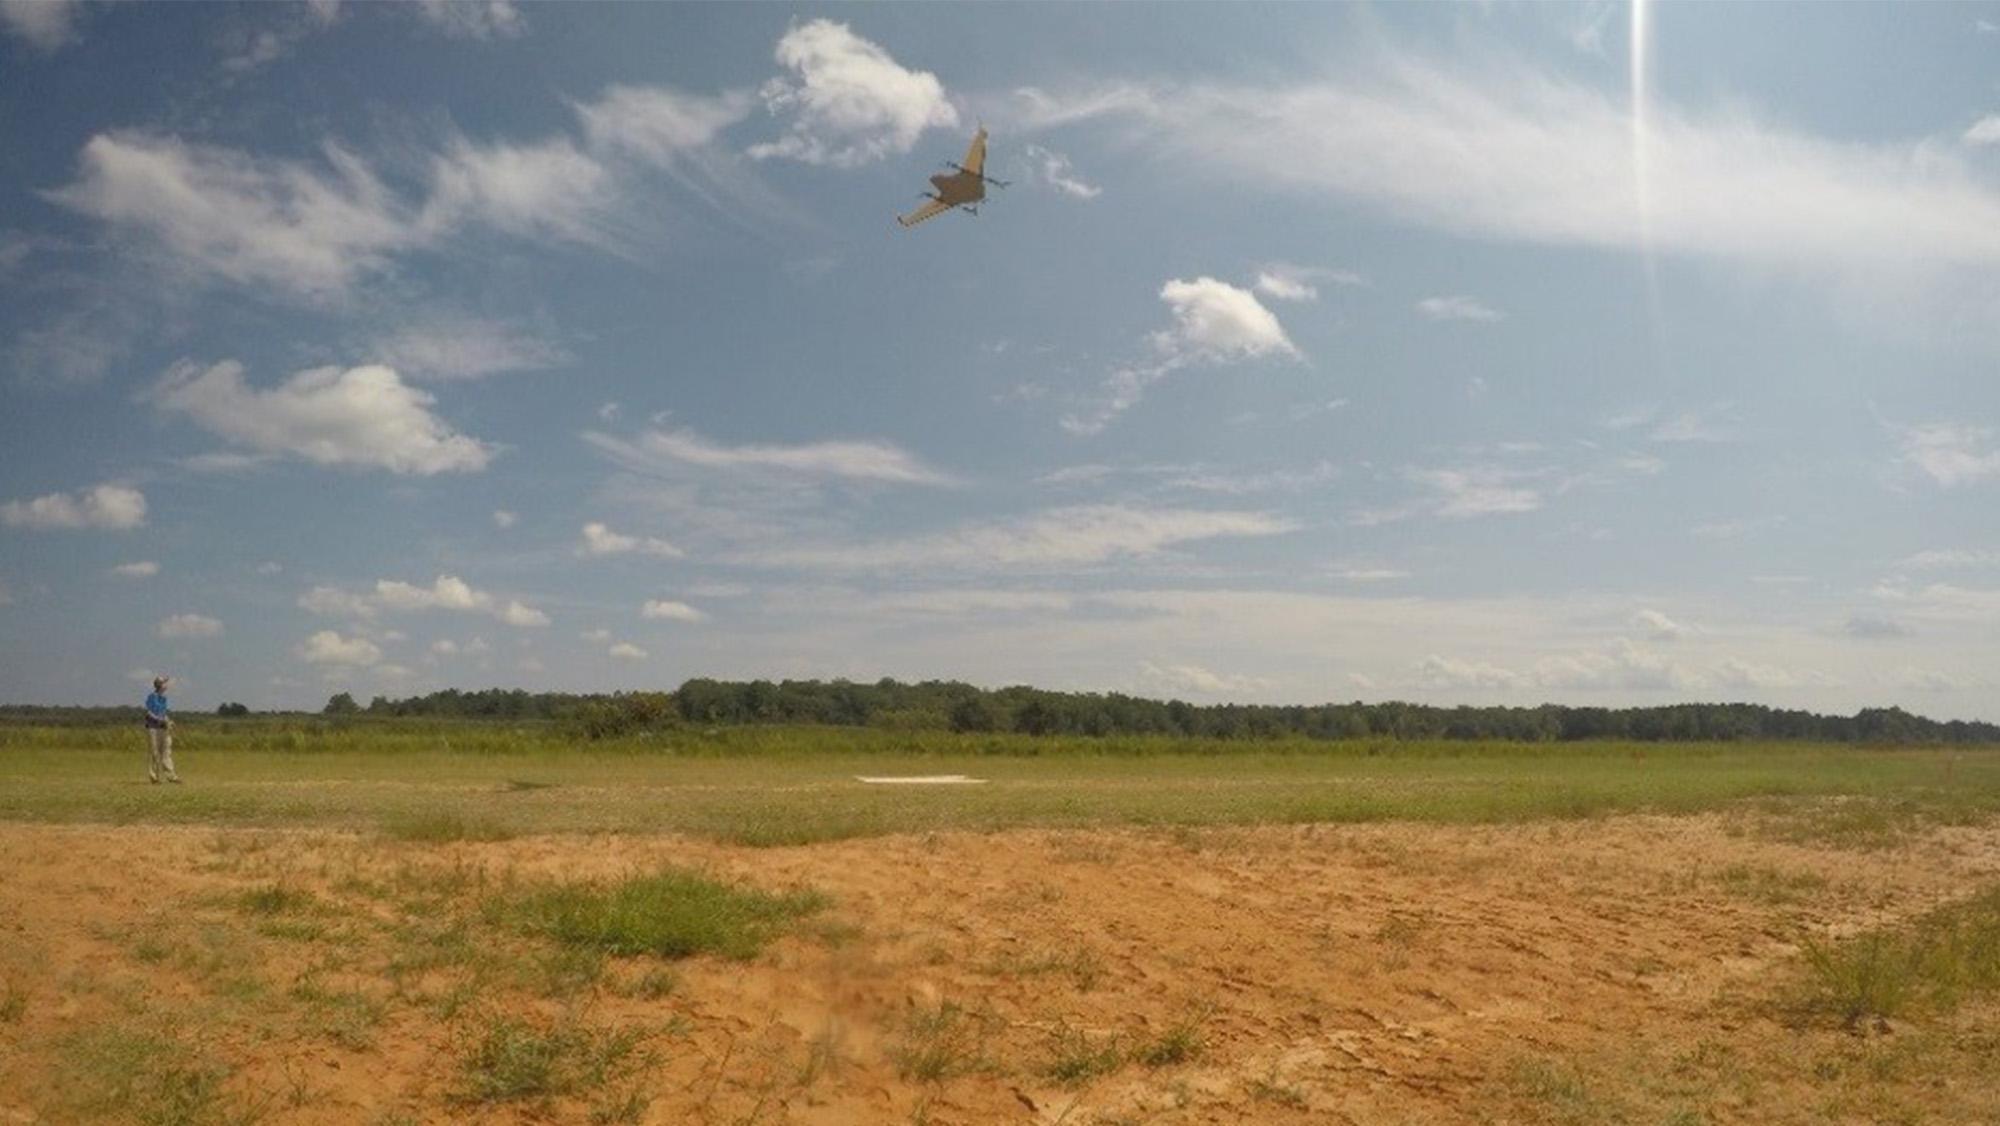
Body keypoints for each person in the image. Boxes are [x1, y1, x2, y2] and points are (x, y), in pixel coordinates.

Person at [143, 676, 180, 784]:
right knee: (154, 753)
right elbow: (148, 713)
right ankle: (154, 777)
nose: (167, 685)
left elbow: (163, 713)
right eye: (165, 682)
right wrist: (160, 720)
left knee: (167, 751)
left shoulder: (164, 698)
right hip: (153, 728)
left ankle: (171, 776)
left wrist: (168, 721)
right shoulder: (152, 697)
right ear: (160, 685)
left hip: (163, 728)